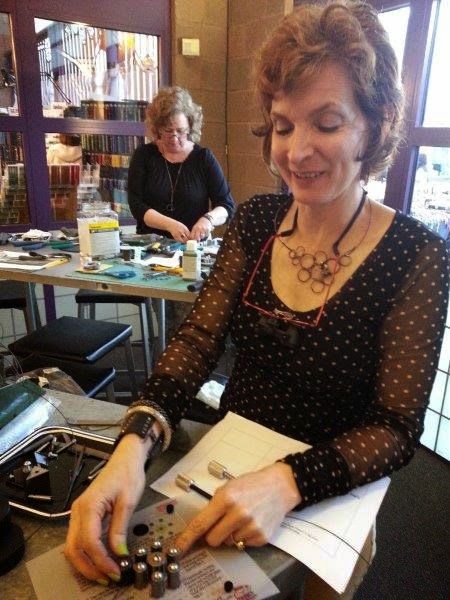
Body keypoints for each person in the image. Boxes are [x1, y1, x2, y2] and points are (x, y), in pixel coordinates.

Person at [65, 2, 448, 597]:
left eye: (327, 124)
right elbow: (198, 341)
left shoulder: (416, 254)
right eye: (283, 125)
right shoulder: (257, 221)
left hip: (333, 492)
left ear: (375, 127)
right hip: (225, 471)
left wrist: (289, 481)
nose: (296, 151)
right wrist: (133, 443)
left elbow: (396, 427)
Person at [127, 85, 235, 243]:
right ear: (157, 129)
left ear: (190, 127)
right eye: (168, 131)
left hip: (193, 245)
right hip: (150, 245)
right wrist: (169, 225)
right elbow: (136, 205)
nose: (175, 138)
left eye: (181, 131)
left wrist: (208, 219)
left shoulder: (203, 158)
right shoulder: (144, 155)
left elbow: (226, 205)